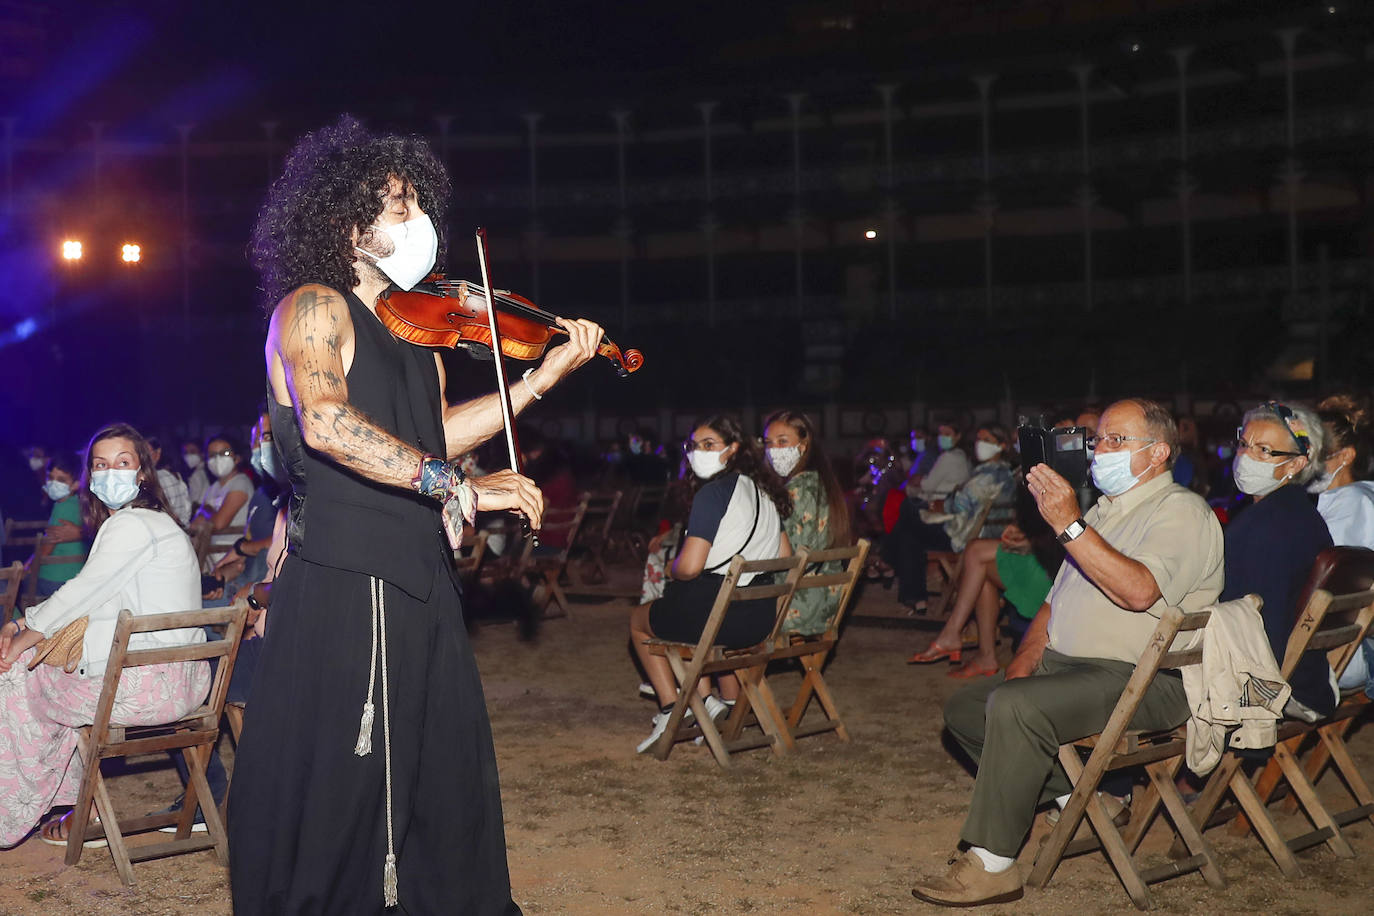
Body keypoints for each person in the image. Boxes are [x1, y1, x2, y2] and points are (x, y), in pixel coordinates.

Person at [228, 114, 603, 915]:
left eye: (417, 203)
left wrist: (541, 380)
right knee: (347, 776)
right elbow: (327, 423)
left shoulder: (418, 329)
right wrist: (451, 484)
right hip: (348, 577)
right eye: (396, 208)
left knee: (435, 765)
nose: (418, 223)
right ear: (345, 223)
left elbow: (434, 435)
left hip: (420, 575)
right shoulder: (313, 308)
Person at [911, 399, 1223, 907]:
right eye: (1098, 438)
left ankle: (993, 864)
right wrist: (1022, 662)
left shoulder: (1182, 512)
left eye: (1116, 440)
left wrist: (1069, 526)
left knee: (1018, 708)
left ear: (1158, 452)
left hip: (1143, 681)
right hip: (1075, 672)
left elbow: (1139, 592)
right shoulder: (1104, 510)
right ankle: (1081, 796)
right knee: (967, 709)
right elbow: (1055, 604)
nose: (1099, 449)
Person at [0, 422, 210, 847]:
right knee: (52, 682)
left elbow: (82, 590)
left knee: (17, 677)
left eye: (123, 462)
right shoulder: (155, 523)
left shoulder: (131, 525)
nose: (110, 472)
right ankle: (81, 807)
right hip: (183, 681)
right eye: (101, 464)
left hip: (141, 687)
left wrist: (21, 640)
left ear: (143, 473)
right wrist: (24, 623)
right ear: (90, 477)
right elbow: (96, 595)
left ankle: (23, 812)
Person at [629, 415, 792, 753]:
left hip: (718, 617)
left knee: (640, 620)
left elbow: (689, 567)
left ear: (732, 449)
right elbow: (785, 557)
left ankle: (671, 708)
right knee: (682, 611)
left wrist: (674, 566)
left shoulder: (712, 494)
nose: (697, 453)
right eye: (694, 446)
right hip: (759, 618)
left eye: (709, 445)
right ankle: (715, 705)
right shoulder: (764, 492)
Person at [1220, 401, 1335, 717]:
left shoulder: (1266, 526)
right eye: (1244, 444)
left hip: (1273, 684)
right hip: (1308, 674)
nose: (1245, 457)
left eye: (1264, 451)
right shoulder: (1302, 515)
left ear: (1296, 465)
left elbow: (1252, 621)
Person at [907, 484, 1064, 678]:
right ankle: (983, 656)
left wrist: (1032, 541)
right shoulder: (1031, 473)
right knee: (980, 569)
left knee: (975, 552)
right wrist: (1025, 535)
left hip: (1056, 571)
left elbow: (1072, 533)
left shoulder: (1077, 477)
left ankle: (954, 635)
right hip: (1044, 554)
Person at [884, 425, 1015, 612]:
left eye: (987, 440)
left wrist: (937, 504)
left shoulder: (988, 476)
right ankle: (916, 599)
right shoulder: (1002, 472)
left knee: (907, 509)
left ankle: (887, 559)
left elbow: (958, 504)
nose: (980, 444)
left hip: (965, 537)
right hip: (973, 531)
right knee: (909, 534)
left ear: (1002, 446)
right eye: (978, 439)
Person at [762, 409, 852, 636]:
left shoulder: (797, 490)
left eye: (783, 442)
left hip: (796, 606)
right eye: (769, 443)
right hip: (824, 599)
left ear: (803, 445)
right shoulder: (820, 482)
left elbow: (789, 554)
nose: (774, 451)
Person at [1312, 395, 1374, 693]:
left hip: (1347, 652)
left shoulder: (1351, 504)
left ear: (1346, 456)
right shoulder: (1359, 498)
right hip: (1353, 645)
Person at [189, 434, 253, 571]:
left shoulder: (241, 482)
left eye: (224, 453)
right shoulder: (214, 487)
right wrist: (209, 513)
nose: (217, 458)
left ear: (237, 458)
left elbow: (219, 523)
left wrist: (208, 510)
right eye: (212, 455)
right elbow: (195, 523)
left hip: (232, 557)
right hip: (209, 554)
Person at [33, 451, 87, 599]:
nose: (54, 483)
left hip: (53, 579)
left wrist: (28, 566)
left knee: (17, 585)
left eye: (61, 480)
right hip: (75, 577)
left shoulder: (61, 507)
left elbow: (45, 550)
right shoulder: (80, 504)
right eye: (50, 477)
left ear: (76, 484)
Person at [149, 436, 193, 527]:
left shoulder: (161, 478)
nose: (141, 457)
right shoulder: (172, 474)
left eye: (146, 452)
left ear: (158, 453)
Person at [180, 439, 209, 508]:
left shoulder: (198, 474)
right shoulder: (193, 472)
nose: (188, 455)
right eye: (186, 453)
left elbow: (195, 501)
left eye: (192, 452)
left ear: (202, 454)